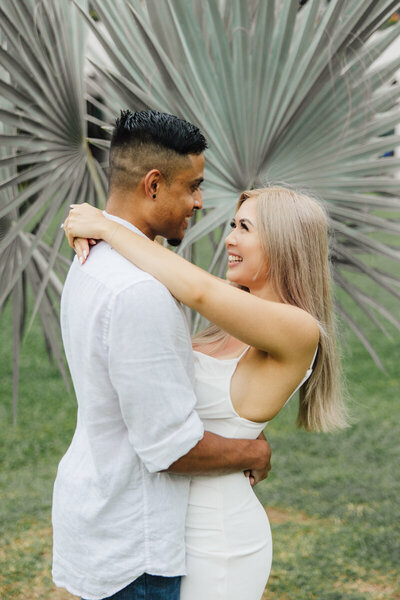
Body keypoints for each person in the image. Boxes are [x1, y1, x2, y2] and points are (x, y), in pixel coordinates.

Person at [64, 186, 349, 600]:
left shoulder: (299, 329)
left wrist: (107, 227)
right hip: (162, 526)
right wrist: (89, 225)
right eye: (233, 225)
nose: (229, 238)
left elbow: (196, 290)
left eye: (245, 228)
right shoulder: (232, 311)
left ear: (284, 242)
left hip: (218, 540)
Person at [52, 109, 272, 600]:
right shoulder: (138, 292)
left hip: (99, 512)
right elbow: (170, 449)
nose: (199, 202)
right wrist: (253, 451)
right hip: (136, 546)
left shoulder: (93, 257)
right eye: (192, 186)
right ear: (153, 185)